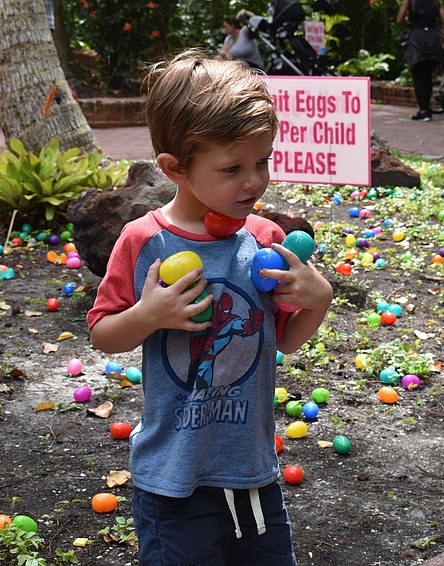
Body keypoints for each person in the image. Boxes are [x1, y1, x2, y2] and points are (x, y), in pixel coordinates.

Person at [87, 50, 332, 565]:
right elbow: (104, 334)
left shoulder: (264, 239)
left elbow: (283, 340)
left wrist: (318, 300)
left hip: (252, 472)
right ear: (175, 169)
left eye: (262, 161)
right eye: (232, 168)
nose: (253, 181)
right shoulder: (144, 241)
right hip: (172, 480)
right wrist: (146, 316)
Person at [396, 0, 444, 121]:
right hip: (432, 38)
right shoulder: (436, 2)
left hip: (417, 39)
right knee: (427, 75)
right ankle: (426, 107)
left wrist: (411, 26)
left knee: (418, 76)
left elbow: (399, 20)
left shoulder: (410, 2)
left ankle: (423, 110)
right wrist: (443, 40)